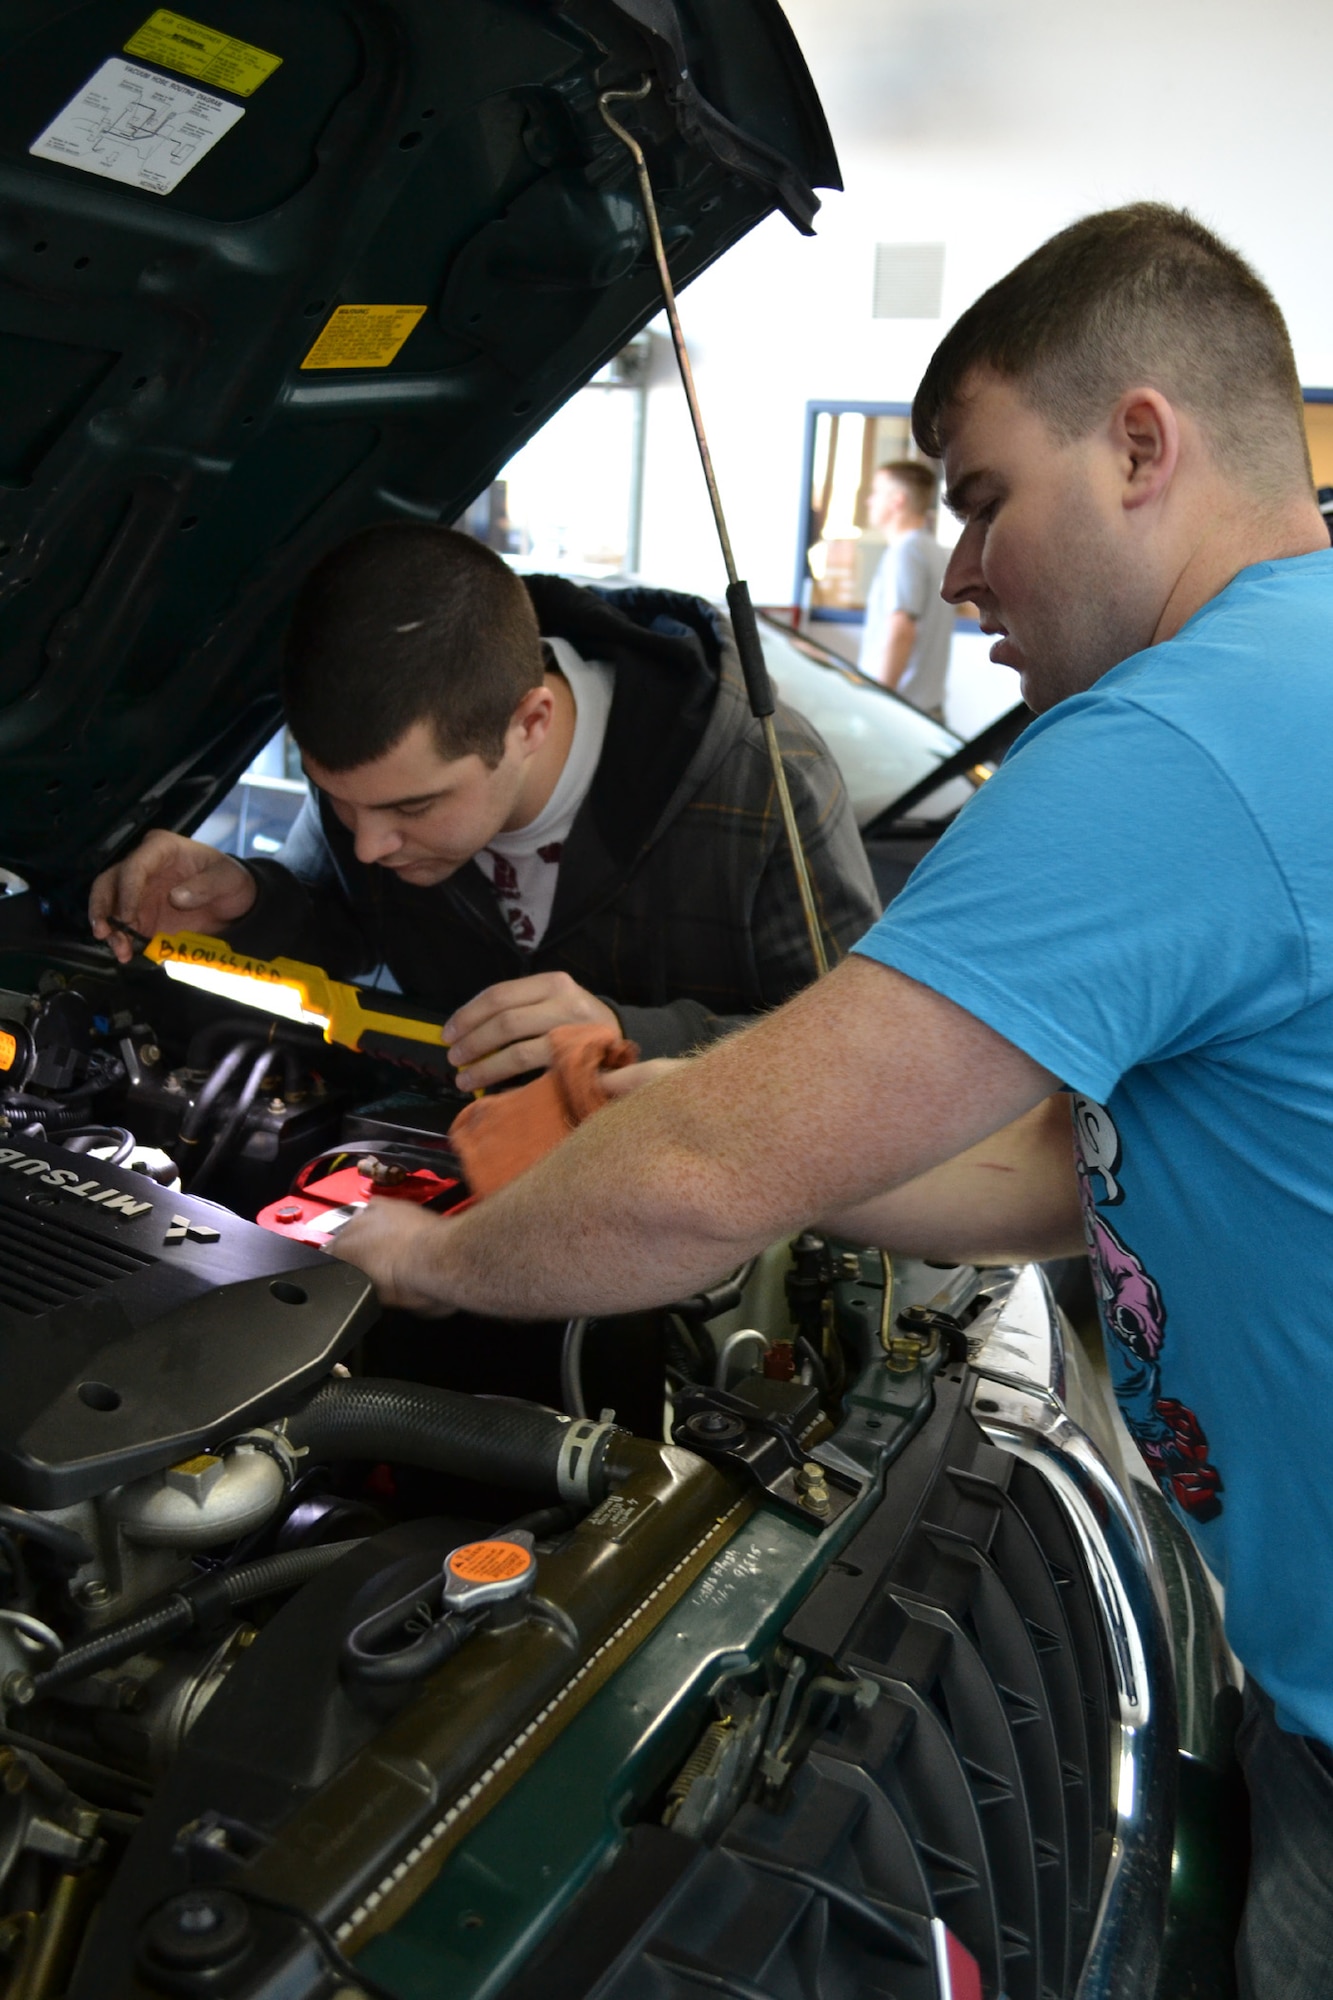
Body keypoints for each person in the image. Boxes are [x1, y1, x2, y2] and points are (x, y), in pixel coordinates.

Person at [329, 204, 1333, 1998]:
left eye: (972, 491)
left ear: (1137, 445)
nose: (953, 569)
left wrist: (418, 1270)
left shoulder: (1177, 738)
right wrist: (754, 1120)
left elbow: (709, 1174)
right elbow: (1051, 1168)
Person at [89, 527, 878, 1093]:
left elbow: (856, 1061)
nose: (368, 846)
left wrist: (632, 1036)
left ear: (529, 722)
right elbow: (338, 928)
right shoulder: (378, 790)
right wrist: (246, 903)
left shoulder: (760, 780)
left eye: (412, 806)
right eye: (336, 801)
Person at [857, 459, 954, 717]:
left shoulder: (906, 553)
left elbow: (901, 631)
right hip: (925, 709)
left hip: (900, 712)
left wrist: (879, 701)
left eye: (876, 492)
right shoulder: (931, 549)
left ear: (897, 500)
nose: (869, 500)